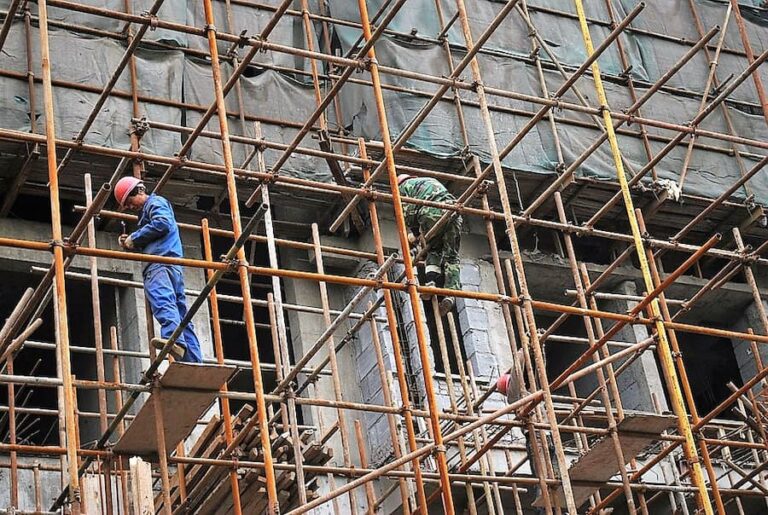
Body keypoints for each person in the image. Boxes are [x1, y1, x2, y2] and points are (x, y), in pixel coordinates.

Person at [113, 176, 203, 363]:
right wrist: (132, 241)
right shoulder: (152, 209)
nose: (130, 207)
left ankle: (173, 340)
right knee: (180, 313)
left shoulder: (155, 203)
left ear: (139, 191)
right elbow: (158, 231)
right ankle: (194, 362)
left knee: (164, 301)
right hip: (171, 263)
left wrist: (135, 237)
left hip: (159, 264)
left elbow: (162, 224)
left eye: (129, 203)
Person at [397, 174, 462, 316]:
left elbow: (409, 212)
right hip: (453, 211)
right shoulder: (430, 180)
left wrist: (415, 233)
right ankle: (451, 294)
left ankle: (431, 283)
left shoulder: (403, 187)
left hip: (431, 213)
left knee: (433, 249)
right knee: (452, 256)